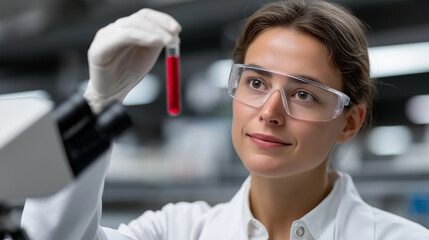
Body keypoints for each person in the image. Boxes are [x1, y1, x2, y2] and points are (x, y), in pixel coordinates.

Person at [21, 0, 429, 239]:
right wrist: (97, 102)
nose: (269, 113)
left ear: (349, 123)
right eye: (255, 83)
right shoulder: (178, 230)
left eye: (303, 94)